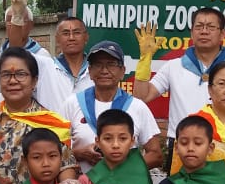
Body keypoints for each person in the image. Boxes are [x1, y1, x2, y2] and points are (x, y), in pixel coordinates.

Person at [132, 8, 225, 148]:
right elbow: (141, 97)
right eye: (199, 27)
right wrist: (145, 60)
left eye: (211, 27)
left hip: (223, 146)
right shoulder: (173, 66)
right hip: (181, 146)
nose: (204, 31)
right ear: (191, 33)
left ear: (222, 34)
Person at [0, 46, 79, 184]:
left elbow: (66, 165)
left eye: (21, 74)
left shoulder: (50, 123)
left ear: (34, 81)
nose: (13, 81)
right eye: (6, 75)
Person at [60, 40, 161, 172]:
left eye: (111, 64)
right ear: (90, 71)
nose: (104, 70)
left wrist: (125, 169)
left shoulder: (136, 107)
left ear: (122, 71)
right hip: (80, 183)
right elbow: (54, 150)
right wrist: (79, 153)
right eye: (98, 64)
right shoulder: (73, 103)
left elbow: (156, 155)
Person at [0, 0, 63, 111]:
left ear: (31, 25)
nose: (13, 23)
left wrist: (18, 16)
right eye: (9, 20)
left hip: (27, 115)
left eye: (21, 19)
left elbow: (16, 51)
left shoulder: (41, 55)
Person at [49, 15, 95, 104]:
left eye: (77, 33)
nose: (71, 38)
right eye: (66, 34)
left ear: (86, 37)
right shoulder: (47, 68)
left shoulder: (97, 70)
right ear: (57, 39)